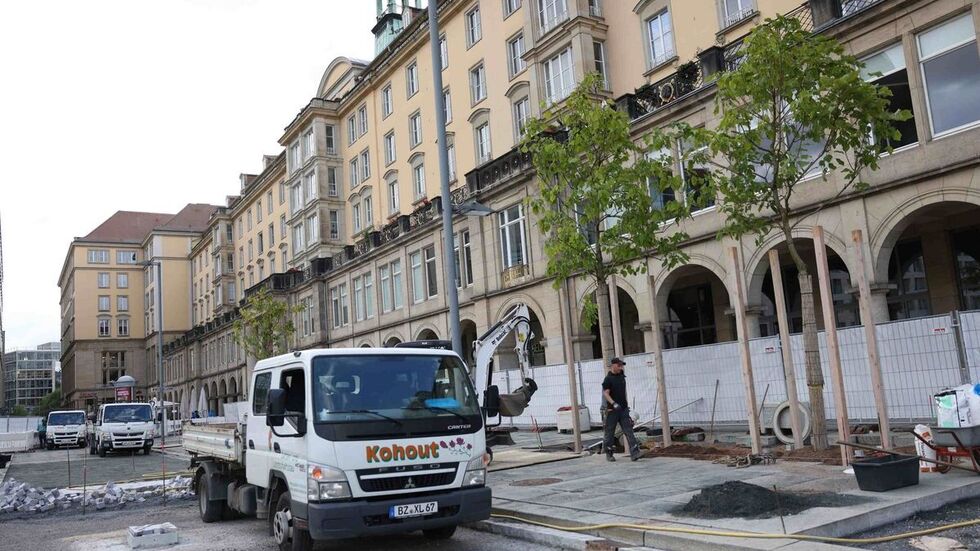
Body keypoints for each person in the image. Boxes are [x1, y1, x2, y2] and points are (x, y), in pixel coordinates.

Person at [602, 358, 641, 462]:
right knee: (610, 433)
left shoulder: (621, 376)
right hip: (612, 410)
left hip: (623, 409)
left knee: (629, 430)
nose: (621, 367)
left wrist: (626, 408)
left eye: (621, 366)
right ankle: (609, 453)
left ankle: (635, 453)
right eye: (619, 366)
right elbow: (606, 393)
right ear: (613, 365)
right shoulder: (608, 379)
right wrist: (613, 404)